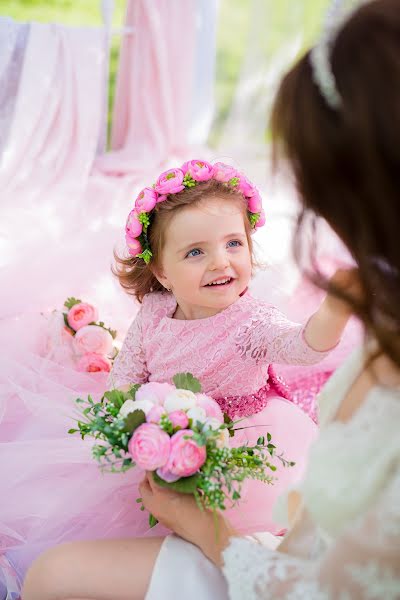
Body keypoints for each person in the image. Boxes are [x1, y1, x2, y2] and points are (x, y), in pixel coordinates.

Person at [22, 0, 400, 599]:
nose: (221, 261)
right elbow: (128, 375)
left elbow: (301, 346)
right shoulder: (153, 317)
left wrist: (331, 311)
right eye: (195, 253)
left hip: (246, 442)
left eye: (233, 244)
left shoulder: (250, 320)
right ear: (162, 275)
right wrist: (133, 418)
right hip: (178, 438)